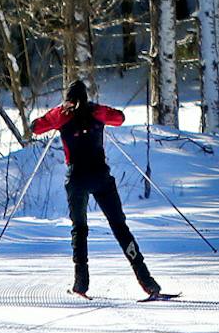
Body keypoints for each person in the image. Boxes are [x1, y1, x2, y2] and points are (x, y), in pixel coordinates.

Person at [29, 80, 164, 299]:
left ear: (68, 98)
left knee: (79, 229)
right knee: (120, 227)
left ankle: (81, 284)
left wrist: (59, 113)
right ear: (86, 96)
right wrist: (95, 111)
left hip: (77, 178)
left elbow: (35, 127)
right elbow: (119, 118)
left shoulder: (61, 115)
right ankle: (148, 281)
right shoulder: (95, 112)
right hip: (101, 176)